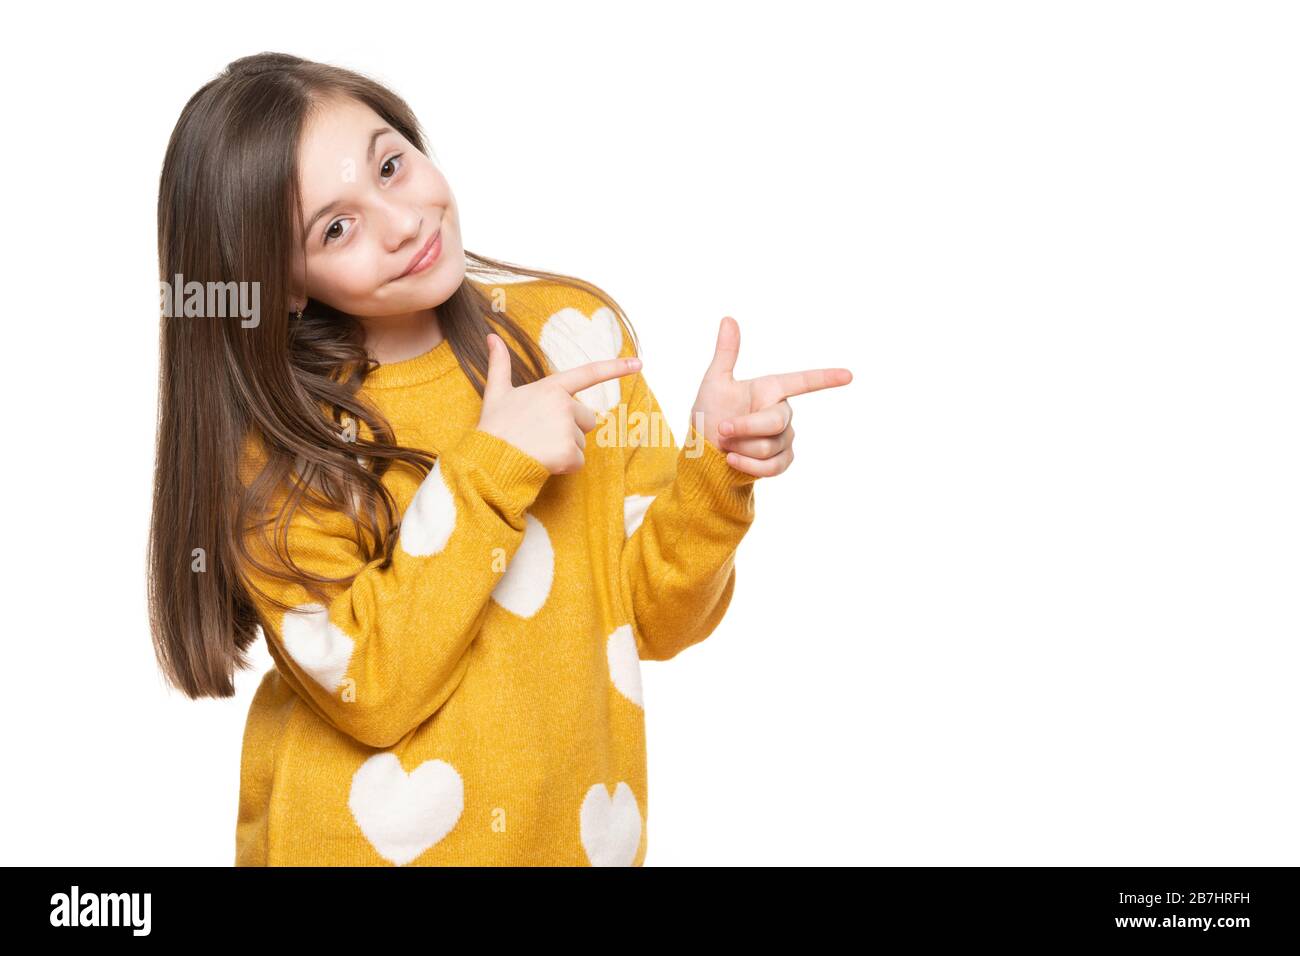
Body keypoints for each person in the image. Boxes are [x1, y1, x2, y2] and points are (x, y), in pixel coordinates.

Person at [146, 52, 853, 866]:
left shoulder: (574, 333)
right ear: (286, 283)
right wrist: (491, 466)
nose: (403, 222)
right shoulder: (280, 447)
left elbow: (653, 619)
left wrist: (715, 474)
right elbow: (370, 690)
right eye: (334, 227)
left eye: (390, 165)